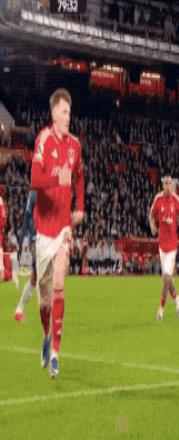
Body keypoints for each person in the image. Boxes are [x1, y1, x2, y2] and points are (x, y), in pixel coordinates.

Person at [31, 88, 84, 378]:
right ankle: (46, 335)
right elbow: (35, 179)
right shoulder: (43, 140)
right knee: (44, 300)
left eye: (69, 112)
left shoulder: (75, 145)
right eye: (64, 112)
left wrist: (80, 208)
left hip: (63, 226)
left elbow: (80, 176)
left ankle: (55, 354)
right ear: (54, 113)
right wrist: (56, 176)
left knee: (60, 285)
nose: (68, 117)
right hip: (43, 229)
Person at [150, 175, 179, 321]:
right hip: (162, 246)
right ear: (163, 186)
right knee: (167, 280)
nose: (168, 186)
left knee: (167, 278)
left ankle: (160, 310)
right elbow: (151, 215)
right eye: (166, 183)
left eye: (170, 183)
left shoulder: (176, 200)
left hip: (172, 246)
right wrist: (152, 226)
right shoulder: (158, 199)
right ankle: (177, 298)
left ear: (172, 186)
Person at [14, 190, 38, 322]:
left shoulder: (35, 194)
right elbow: (26, 219)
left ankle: (19, 310)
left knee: (36, 278)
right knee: (40, 277)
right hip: (38, 240)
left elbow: (26, 220)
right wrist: (21, 241)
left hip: (45, 239)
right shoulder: (34, 195)